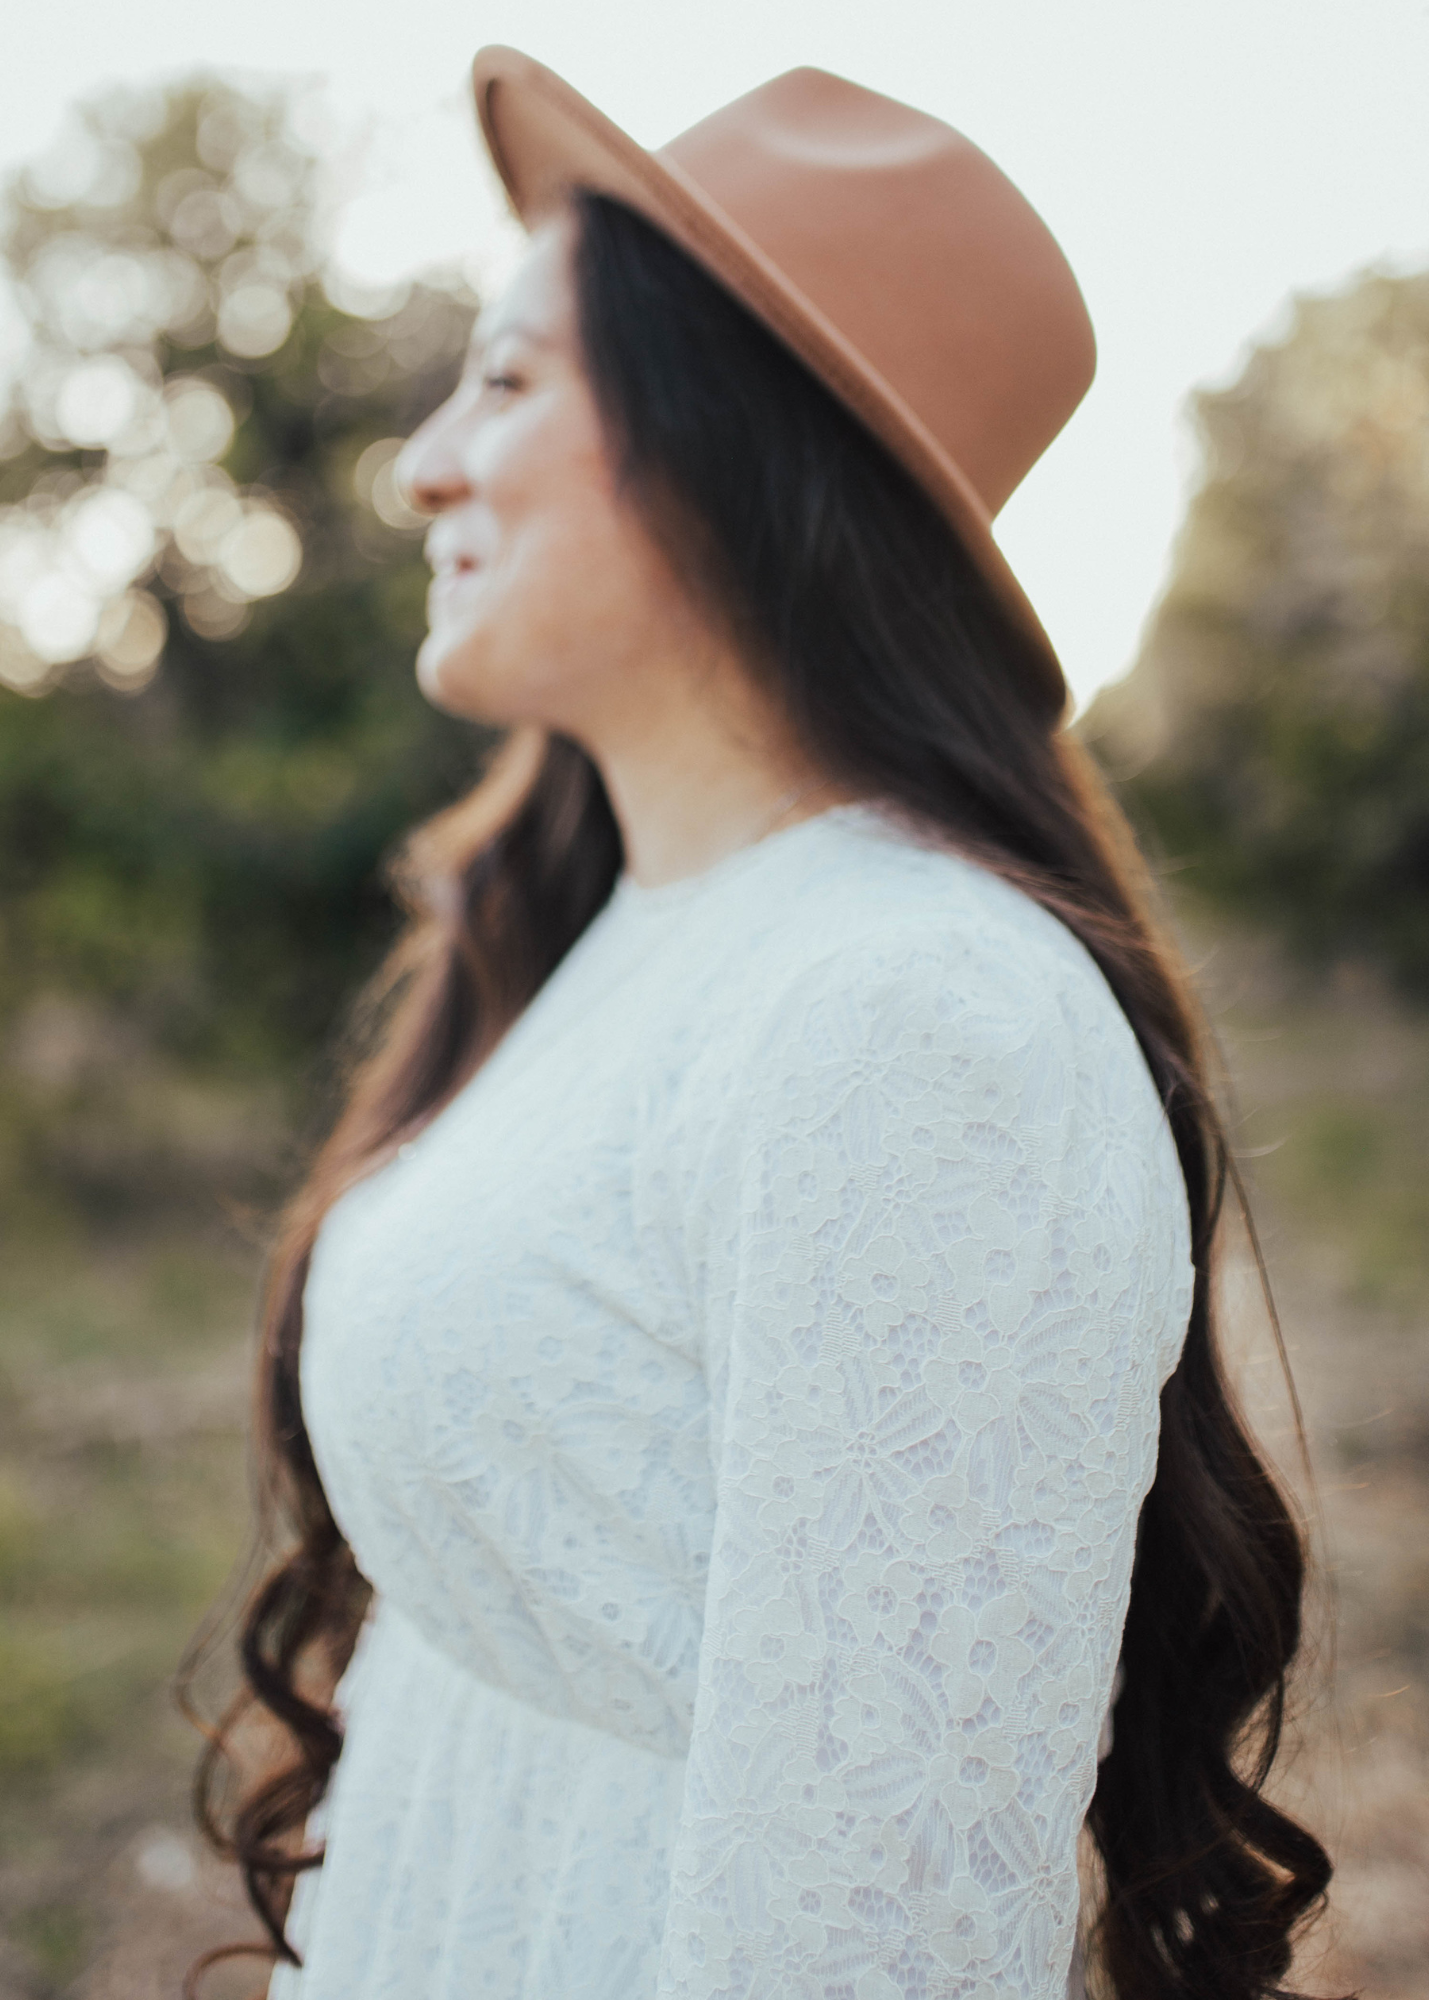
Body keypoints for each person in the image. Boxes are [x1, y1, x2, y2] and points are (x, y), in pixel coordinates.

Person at [192, 47, 1336, 2000]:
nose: (423, 461)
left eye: (508, 379)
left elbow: (870, 1942)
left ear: (730, 440)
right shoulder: (629, 936)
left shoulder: (921, 1016)